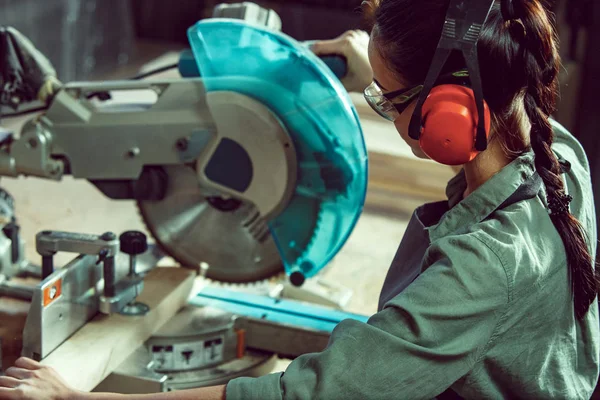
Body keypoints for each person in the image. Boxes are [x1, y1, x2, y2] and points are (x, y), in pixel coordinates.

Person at [1, 0, 598, 398]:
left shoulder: (487, 264)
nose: (384, 113)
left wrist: (72, 396)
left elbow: (309, 393)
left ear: (451, 114)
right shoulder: (554, 154)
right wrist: (368, 65)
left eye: (388, 101)